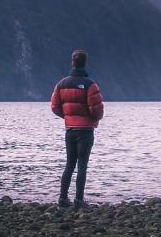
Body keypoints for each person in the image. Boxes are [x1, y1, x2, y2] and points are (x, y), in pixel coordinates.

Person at [50, 49, 104, 208]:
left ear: (72, 62)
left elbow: (54, 107)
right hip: (86, 130)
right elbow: (97, 109)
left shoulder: (61, 84)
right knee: (82, 166)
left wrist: (68, 116)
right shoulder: (90, 85)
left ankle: (62, 198)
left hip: (70, 130)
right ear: (85, 63)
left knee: (69, 165)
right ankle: (79, 200)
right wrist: (94, 119)